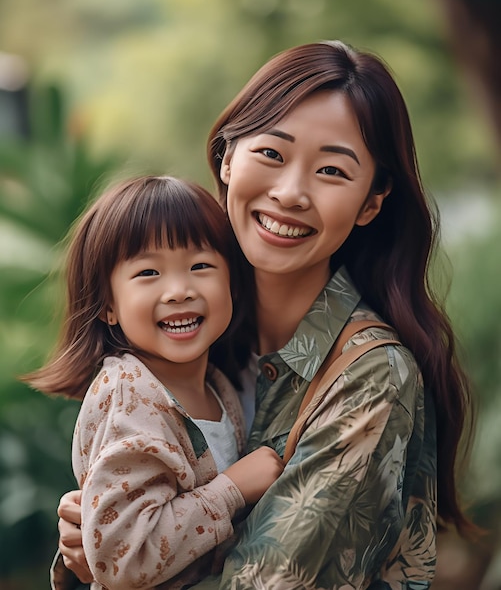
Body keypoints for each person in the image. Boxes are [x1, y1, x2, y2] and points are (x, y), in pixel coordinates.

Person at [55, 40, 475, 589]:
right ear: (229, 157)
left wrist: (122, 568)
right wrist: (90, 553)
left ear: (372, 202)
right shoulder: (184, 342)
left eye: (331, 170)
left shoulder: (369, 380)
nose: (291, 193)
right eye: (272, 154)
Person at [24, 175, 284, 590]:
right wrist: (232, 489)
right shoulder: (131, 396)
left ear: (231, 282)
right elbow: (121, 557)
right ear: (108, 305)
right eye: (148, 272)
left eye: (201, 266)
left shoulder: (217, 384)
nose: (179, 290)